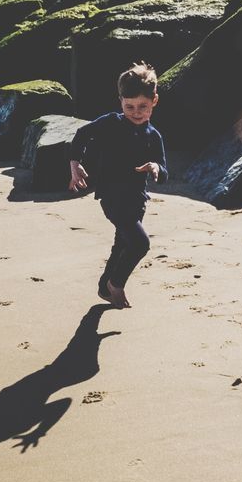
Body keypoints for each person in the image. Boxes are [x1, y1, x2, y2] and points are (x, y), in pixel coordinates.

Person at [66, 62, 168, 309]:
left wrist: (155, 168)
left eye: (142, 106)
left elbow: (164, 172)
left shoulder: (154, 136)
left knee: (122, 244)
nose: (136, 112)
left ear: (154, 101)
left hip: (137, 199)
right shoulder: (110, 123)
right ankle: (117, 284)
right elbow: (81, 135)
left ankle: (104, 286)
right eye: (129, 106)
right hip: (112, 197)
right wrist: (74, 163)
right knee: (140, 244)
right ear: (120, 101)